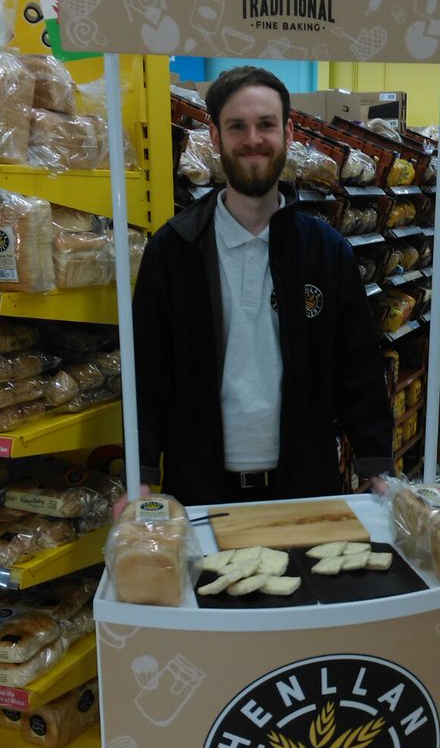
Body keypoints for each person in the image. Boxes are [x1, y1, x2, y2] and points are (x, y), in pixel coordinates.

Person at [124, 65, 393, 509]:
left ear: (288, 132)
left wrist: (375, 464)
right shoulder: (174, 250)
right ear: (214, 136)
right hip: (200, 488)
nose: (253, 139)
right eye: (237, 126)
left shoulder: (325, 251)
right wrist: (143, 473)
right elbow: (147, 372)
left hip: (306, 484)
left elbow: (357, 364)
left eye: (266, 124)